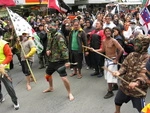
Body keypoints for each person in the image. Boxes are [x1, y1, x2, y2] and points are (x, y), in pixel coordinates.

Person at [112, 34, 150, 113]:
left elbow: (144, 74)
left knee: (143, 110)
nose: (135, 45)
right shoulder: (131, 54)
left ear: (144, 45)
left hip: (138, 90)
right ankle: (117, 112)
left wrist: (137, 82)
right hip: (125, 86)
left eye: (138, 43)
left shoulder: (147, 58)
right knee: (117, 100)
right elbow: (124, 66)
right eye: (135, 43)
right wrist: (119, 72)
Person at [42, 23, 74, 101]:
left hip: (59, 61)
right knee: (47, 75)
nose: (50, 28)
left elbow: (64, 49)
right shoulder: (49, 34)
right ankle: (51, 87)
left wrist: (67, 61)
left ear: (56, 27)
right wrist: (47, 50)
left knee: (64, 78)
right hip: (51, 60)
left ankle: (69, 93)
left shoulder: (59, 36)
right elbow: (48, 44)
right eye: (49, 27)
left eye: (51, 27)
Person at [94, 27, 124, 99]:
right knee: (109, 75)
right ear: (104, 33)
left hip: (113, 60)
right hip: (107, 60)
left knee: (109, 76)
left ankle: (110, 91)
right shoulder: (104, 41)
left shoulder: (114, 41)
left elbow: (121, 50)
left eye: (109, 31)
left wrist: (116, 59)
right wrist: (94, 50)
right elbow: (102, 50)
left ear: (111, 33)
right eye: (106, 31)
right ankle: (115, 86)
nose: (108, 32)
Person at [0, 31, 19, 110]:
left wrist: (3, 64)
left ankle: (15, 102)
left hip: (3, 68)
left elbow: (9, 56)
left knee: (9, 86)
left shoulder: (3, 44)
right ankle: (1, 97)